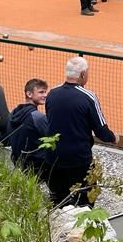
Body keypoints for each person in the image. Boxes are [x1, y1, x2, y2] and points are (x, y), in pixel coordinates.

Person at [44, 56, 117, 207]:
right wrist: (113, 138)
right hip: (79, 160)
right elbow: (101, 131)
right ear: (83, 74)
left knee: (59, 201)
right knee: (85, 201)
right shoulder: (89, 97)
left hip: (53, 158)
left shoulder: (52, 94)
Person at [9, 78, 50, 175]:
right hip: (38, 166)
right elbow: (50, 138)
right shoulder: (37, 117)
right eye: (41, 92)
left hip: (18, 163)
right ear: (29, 94)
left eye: (45, 92)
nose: (45, 95)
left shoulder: (14, 113)